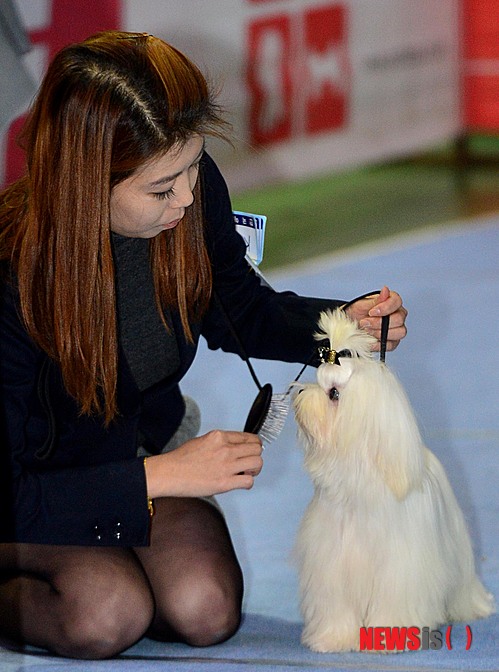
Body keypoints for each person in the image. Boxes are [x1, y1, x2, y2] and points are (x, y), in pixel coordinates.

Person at [0, 31, 407, 660]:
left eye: (194, 167)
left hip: (131, 459)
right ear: (83, 184)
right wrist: (165, 475)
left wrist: (341, 329)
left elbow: (239, 309)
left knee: (205, 608)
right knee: (106, 613)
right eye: (163, 189)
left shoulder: (187, 190)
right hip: (28, 494)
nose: (188, 198)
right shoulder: (12, 278)